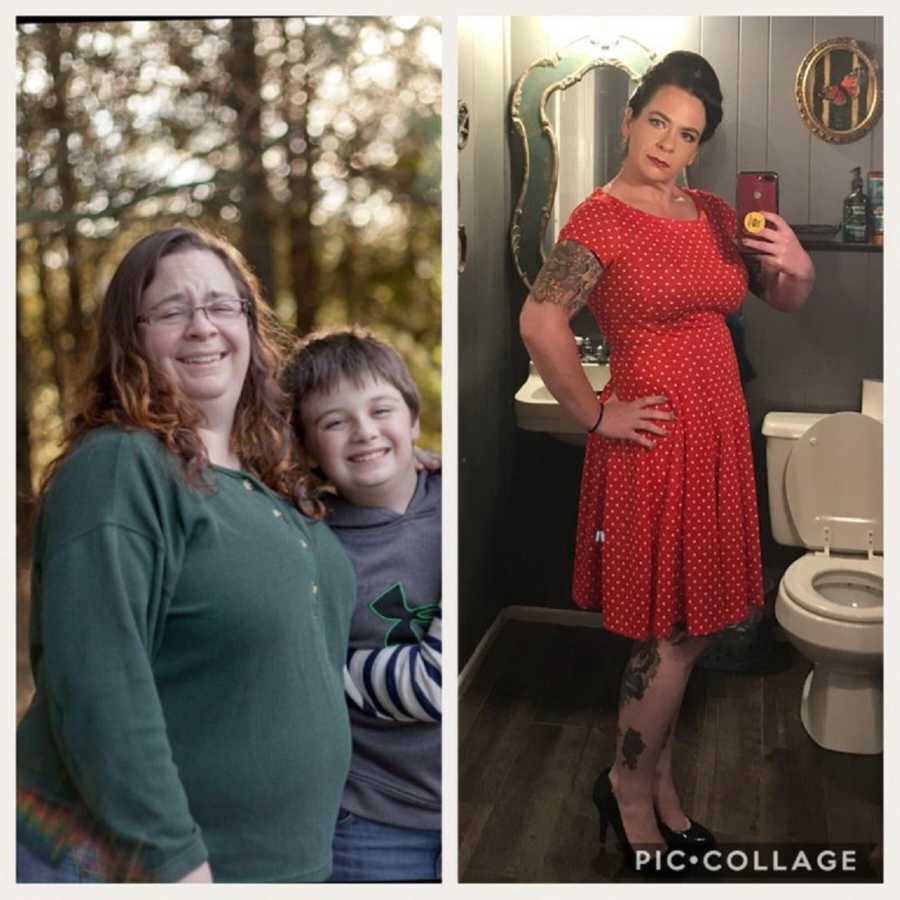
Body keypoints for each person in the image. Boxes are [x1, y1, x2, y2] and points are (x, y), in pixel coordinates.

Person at [518, 51, 814, 872]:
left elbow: (778, 297)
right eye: (657, 122)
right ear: (628, 120)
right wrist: (599, 412)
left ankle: (656, 785)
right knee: (673, 634)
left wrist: (798, 266)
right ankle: (626, 787)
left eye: (687, 135)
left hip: (716, 437)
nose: (668, 144)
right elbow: (542, 326)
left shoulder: (716, 214)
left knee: (691, 629)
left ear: (697, 147)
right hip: (652, 445)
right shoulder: (598, 220)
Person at [16, 227, 357, 883]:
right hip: (129, 866)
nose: (202, 327)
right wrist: (172, 860)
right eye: (172, 311)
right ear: (133, 336)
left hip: (276, 866)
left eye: (221, 306)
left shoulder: (267, 479)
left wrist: (409, 472)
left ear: (251, 325)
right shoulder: (121, 466)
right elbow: (98, 684)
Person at [287, 327, 442, 882]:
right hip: (372, 821)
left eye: (382, 410)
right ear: (306, 447)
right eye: (334, 422)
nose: (364, 432)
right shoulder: (308, 543)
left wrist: (344, 673)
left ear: (413, 420)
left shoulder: (455, 498)